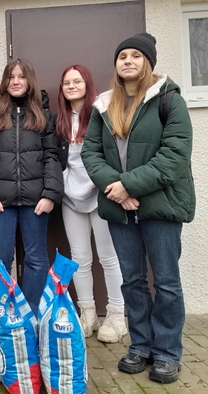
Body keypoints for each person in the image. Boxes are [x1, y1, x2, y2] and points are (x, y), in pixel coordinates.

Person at [82, 33, 195, 384]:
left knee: (165, 282)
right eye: (122, 56)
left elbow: (174, 156)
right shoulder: (103, 105)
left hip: (160, 208)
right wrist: (117, 189)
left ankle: (166, 353)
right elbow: (90, 153)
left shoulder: (169, 100)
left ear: (147, 62)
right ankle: (141, 347)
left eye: (135, 56)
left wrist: (129, 185)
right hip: (121, 209)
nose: (128, 61)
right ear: (116, 65)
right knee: (132, 281)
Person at [0, 58, 63, 318]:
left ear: (29, 81)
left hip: (36, 201)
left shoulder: (42, 116)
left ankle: (31, 316)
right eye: (11, 77)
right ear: (5, 81)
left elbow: (52, 156)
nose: (16, 81)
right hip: (0, 202)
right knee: (0, 260)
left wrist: (50, 195)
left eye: (21, 76)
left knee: (36, 258)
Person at [55, 64, 126, 343]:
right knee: (80, 259)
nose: (71, 86)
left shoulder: (102, 113)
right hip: (70, 197)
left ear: (87, 83)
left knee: (109, 258)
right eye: (66, 83)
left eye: (77, 81)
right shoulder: (58, 121)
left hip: (102, 194)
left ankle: (117, 317)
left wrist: (108, 181)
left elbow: (116, 152)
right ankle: (88, 314)